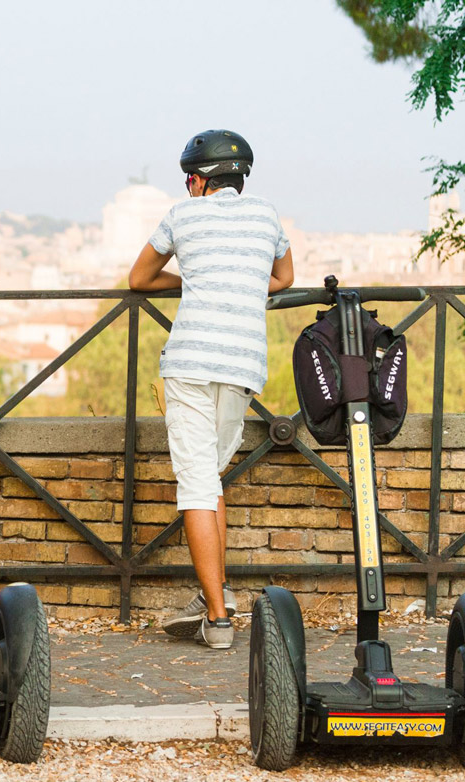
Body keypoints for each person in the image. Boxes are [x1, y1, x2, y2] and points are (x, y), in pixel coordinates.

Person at [127, 129, 294, 649]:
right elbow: (284, 278)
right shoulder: (266, 214)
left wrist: (192, 277)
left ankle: (218, 620)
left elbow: (138, 279)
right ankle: (213, 593)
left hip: (191, 362)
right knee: (211, 478)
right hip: (243, 364)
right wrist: (234, 281)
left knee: (196, 485)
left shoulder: (182, 213)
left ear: (197, 179)